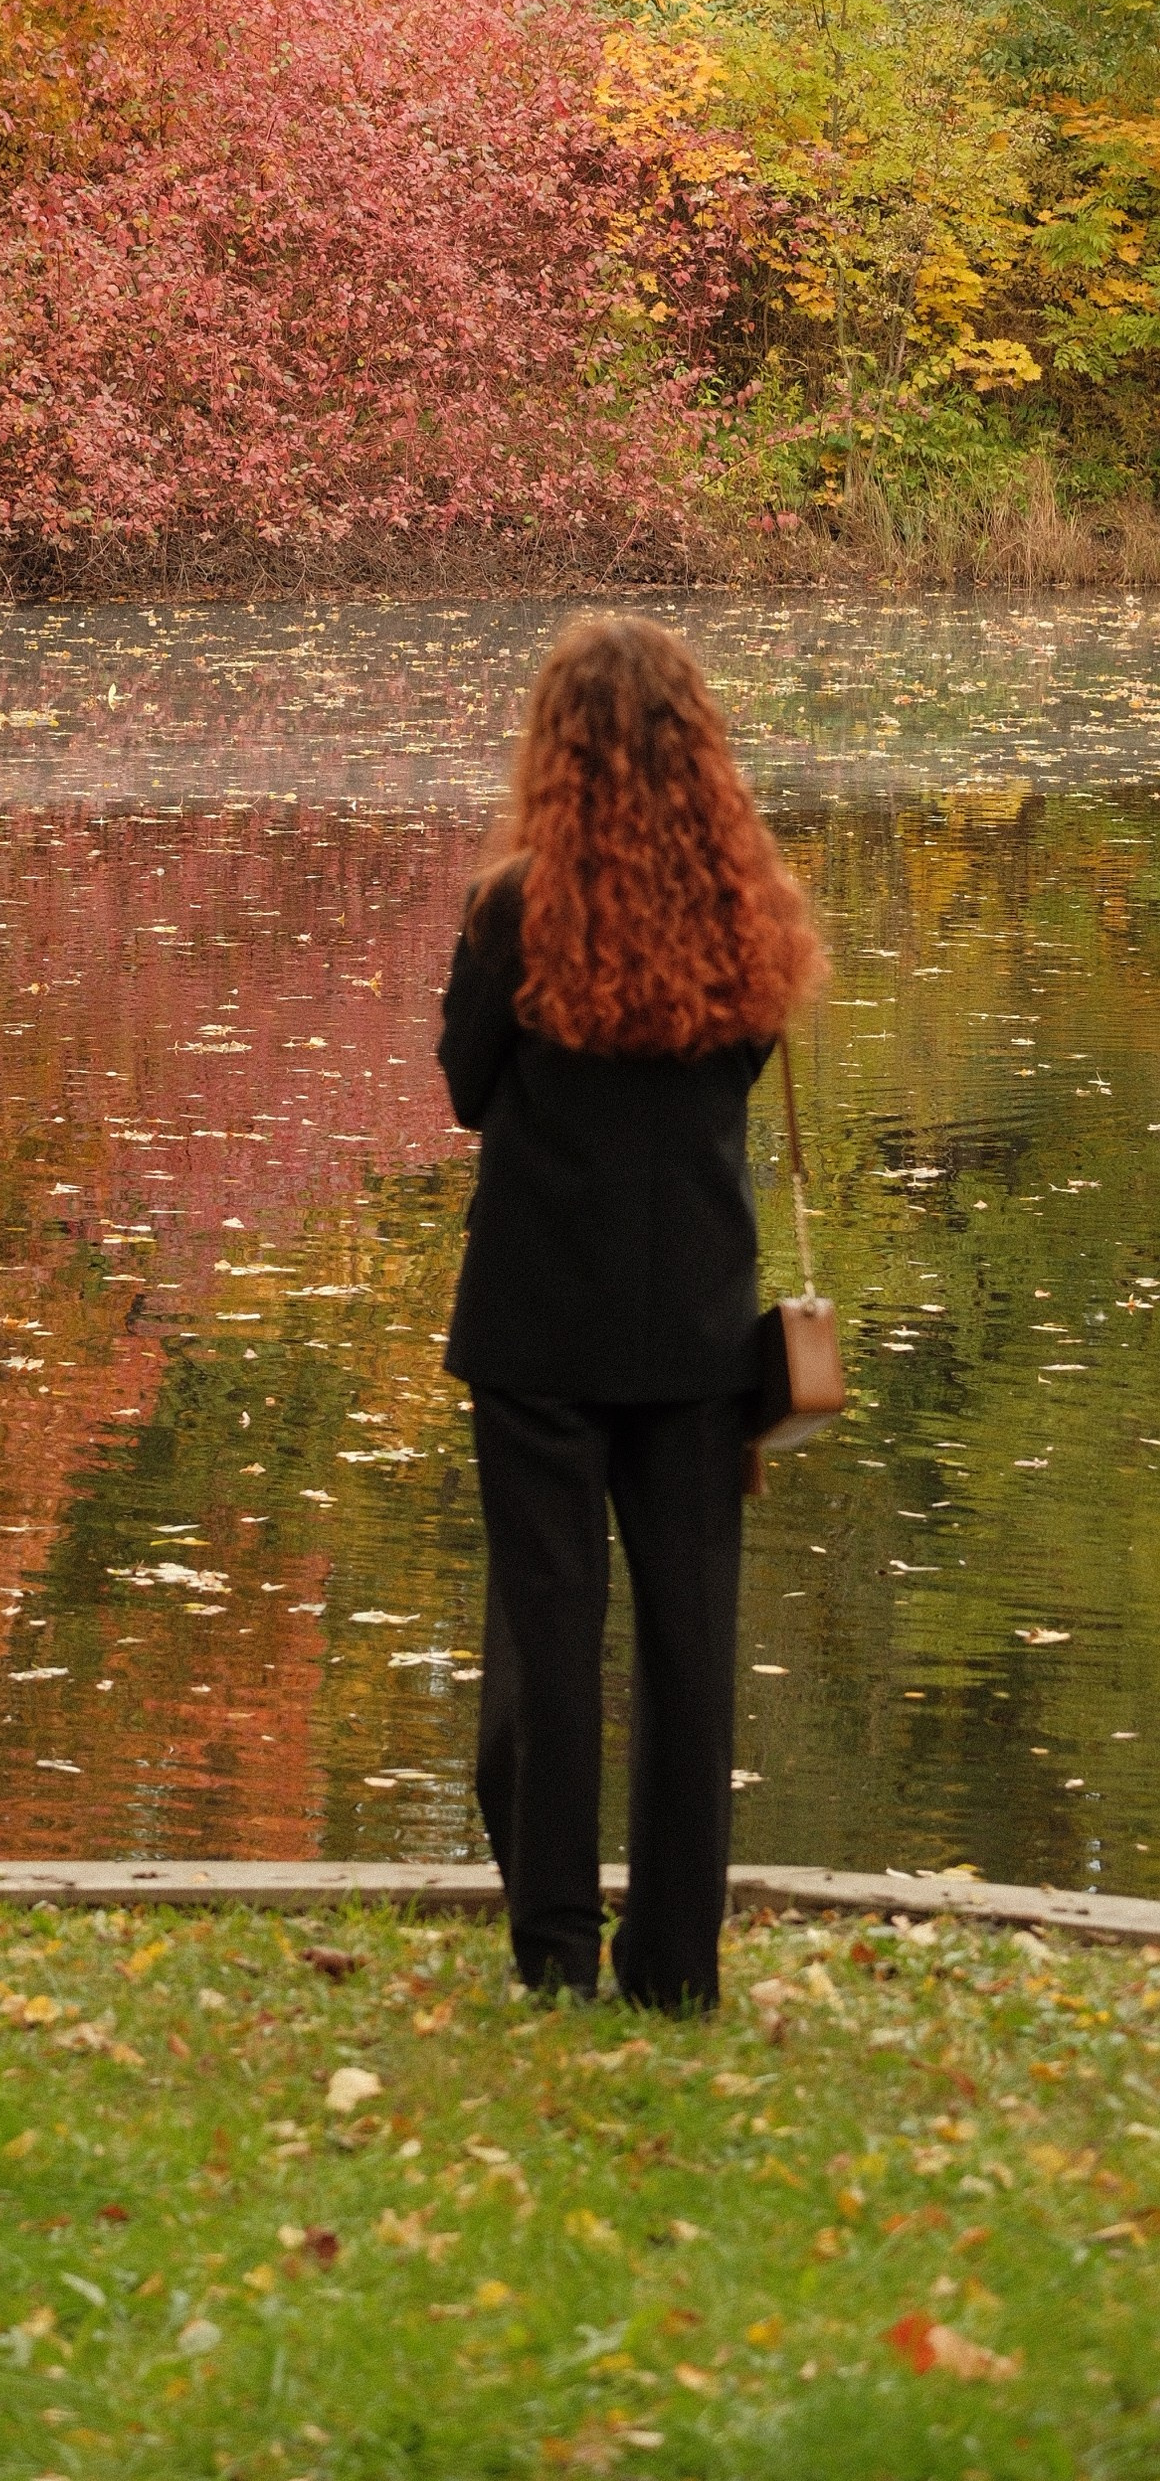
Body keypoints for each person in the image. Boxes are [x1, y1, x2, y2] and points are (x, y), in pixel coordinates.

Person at [438, 613, 824, 2011]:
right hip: (696, 1331)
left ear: (555, 745)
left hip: (539, 1324)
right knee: (689, 1653)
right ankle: (674, 1970)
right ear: (698, 745)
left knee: (550, 1644)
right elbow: (736, 1074)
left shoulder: (514, 908)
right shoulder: (746, 906)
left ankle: (553, 1955)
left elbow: (465, 1088)